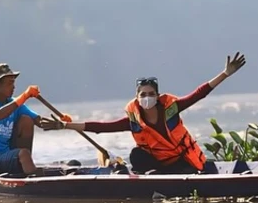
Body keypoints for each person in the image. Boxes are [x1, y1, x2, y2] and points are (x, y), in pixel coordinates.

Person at [45, 52, 247, 174]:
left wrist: (225, 73)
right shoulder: (134, 119)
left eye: (151, 94)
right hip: (158, 165)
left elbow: (198, 94)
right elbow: (100, 127)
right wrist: (65, 125)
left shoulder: (171, 108)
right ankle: (154, 177)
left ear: (158, 96)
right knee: (136, 155)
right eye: (143, 94)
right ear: (137, 96)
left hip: (181, 162)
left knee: (187, 169)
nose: (147, 97)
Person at [0, 63, 64, 176]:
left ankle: (25, 167)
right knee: (24, 154)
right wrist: (25, 96)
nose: (14, 87)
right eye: (9, 83)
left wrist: (60, 124)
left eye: (13, 83)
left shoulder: (14, 103)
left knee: (27, 120)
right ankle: (31, 175)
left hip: (7, 153)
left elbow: (39, 121)